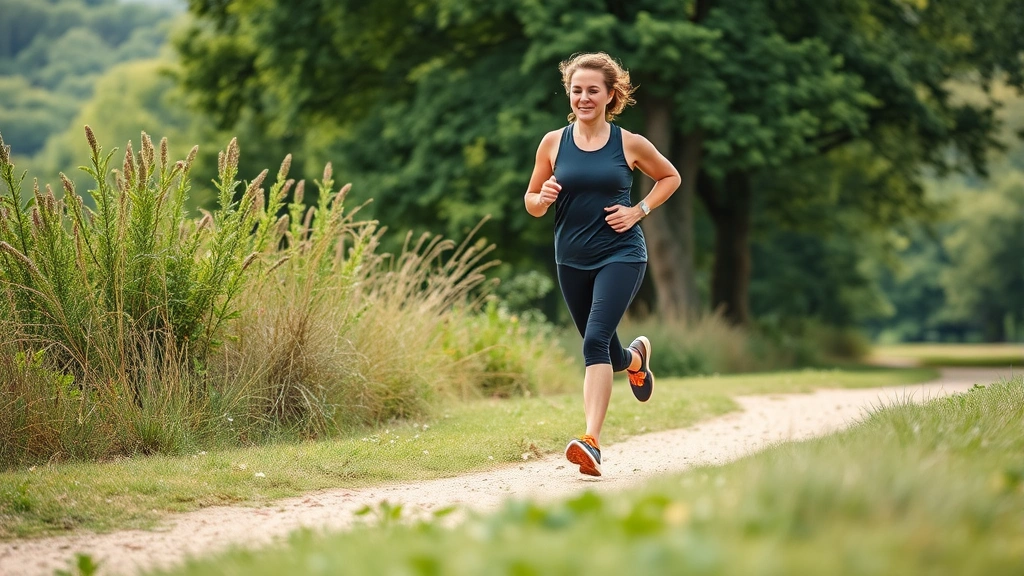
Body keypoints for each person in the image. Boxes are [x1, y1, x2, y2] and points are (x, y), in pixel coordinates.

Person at [523, 52, 681, 477]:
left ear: (611, 95)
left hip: (621, 254)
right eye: (577, 90)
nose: (584, 97)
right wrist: (543, 199)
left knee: (593, 342)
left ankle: (591, 442)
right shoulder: (552, 142)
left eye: (593, 90)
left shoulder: (628, 142)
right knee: (605, 348)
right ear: (569, 94)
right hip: (571, 259)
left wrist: (639, 210)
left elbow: (670, 177)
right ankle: (634, 360)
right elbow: (531, 201)